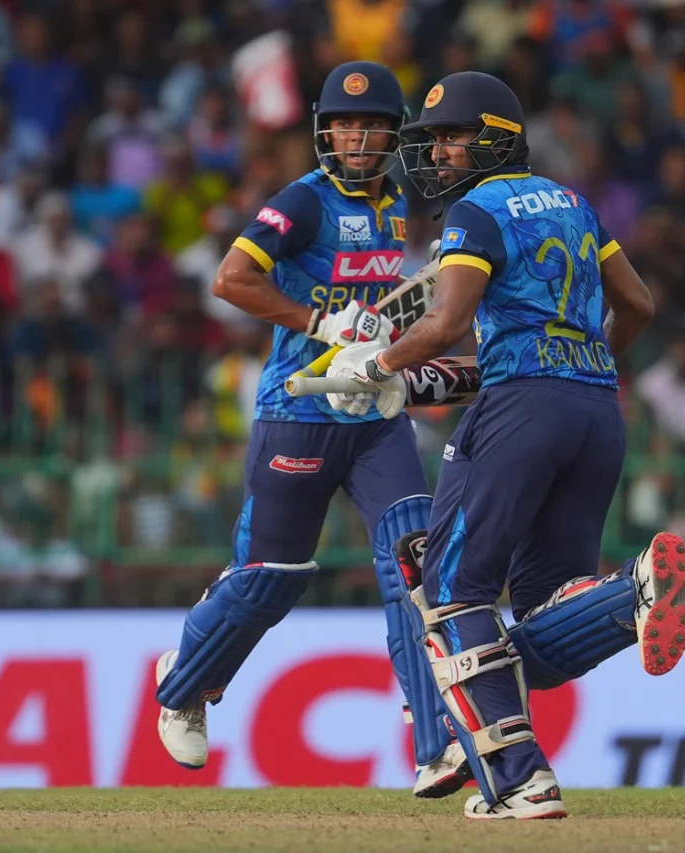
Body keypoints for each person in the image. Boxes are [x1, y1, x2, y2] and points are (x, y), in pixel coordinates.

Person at [328, 71, 685, 819]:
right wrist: (575, 366)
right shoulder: (575, 203)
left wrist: (378, 361)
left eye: (453, 137)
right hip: (596, 410)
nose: (439, 153)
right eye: (432, 141)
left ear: (497, 136)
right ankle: (623, 601)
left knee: (449, 588)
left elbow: (448, 320)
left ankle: (521, 778)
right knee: (538, 609)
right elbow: (639, 305)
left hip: (523, 411)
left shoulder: (478, 209)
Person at [150, 61, 462, 797]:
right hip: (299, 410)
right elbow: (231, 279)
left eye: (373, 124)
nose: (358, 137)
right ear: (326, 131)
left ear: (393, 134)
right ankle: (185, 678)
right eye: (346, 124)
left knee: (414, 568)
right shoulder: (306, 201)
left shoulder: (396, 204)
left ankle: (436, 745)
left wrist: (386, 342)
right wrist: (323, 321)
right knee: (271, 580)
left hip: (373, 412)